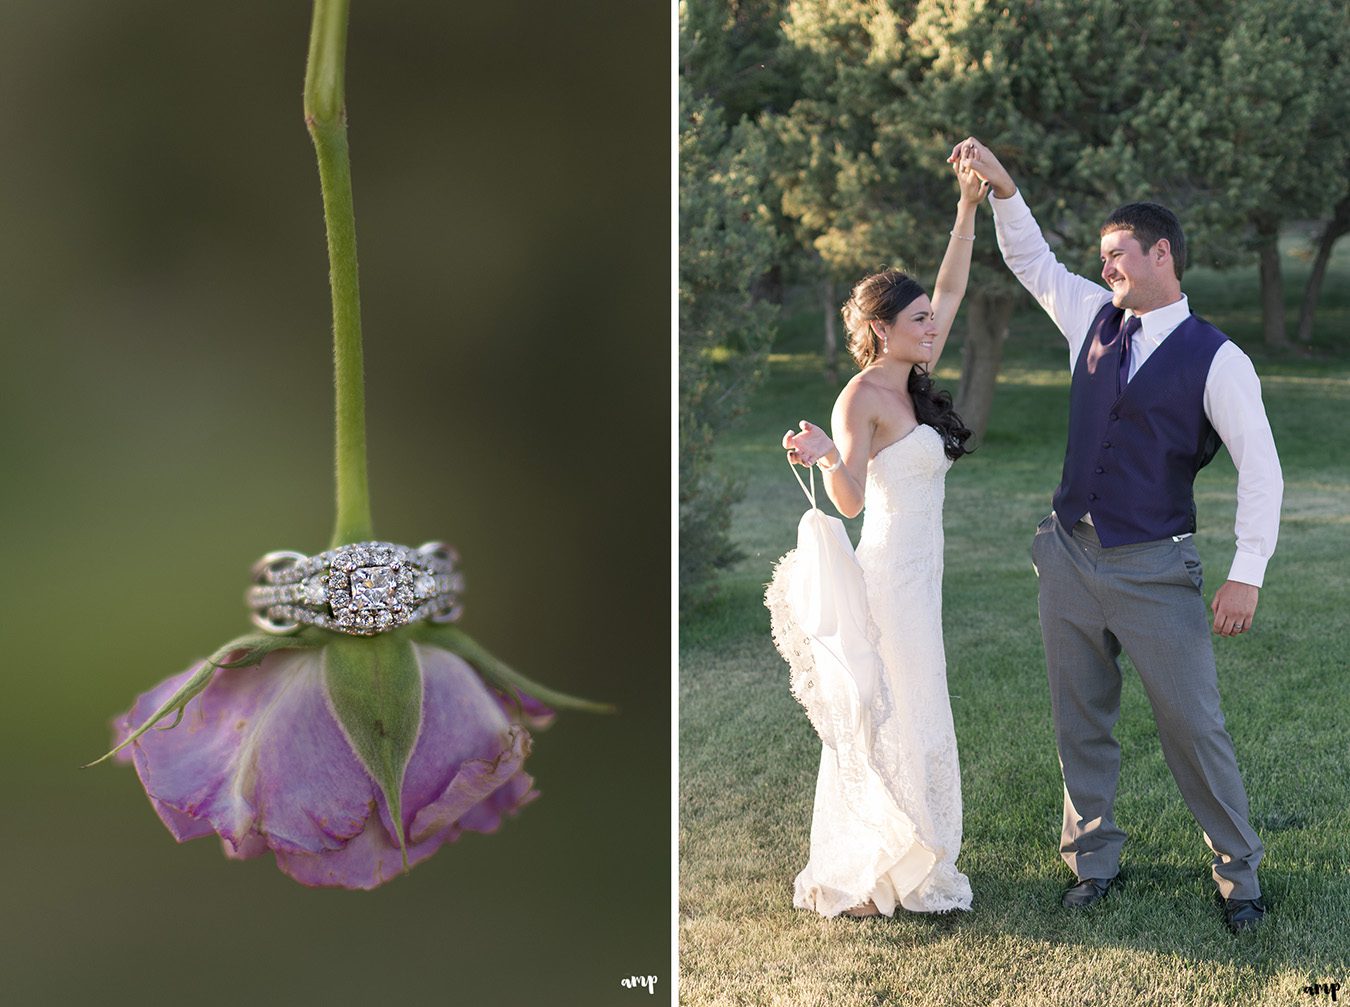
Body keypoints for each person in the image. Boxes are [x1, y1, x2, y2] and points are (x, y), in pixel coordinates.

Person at [949, 137, 1282, 933]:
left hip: (1155, 568)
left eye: (1117, 255)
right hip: (1067, 555)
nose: (1105, 269)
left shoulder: (1219, 358)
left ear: (1162, 253)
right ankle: (1092, 861)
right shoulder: (1093, 318)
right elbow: (1032, 261)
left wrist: (1247, 571)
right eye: (1101, 258)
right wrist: (1004, 190)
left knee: (1193, 726)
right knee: (1078, 718)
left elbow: (1261, 469)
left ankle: (1240, 875)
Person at [766, 157, 987, 918]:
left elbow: (954, 285)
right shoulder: (861, 395)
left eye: (929, 316)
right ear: (880, 329)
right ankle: (879, 870)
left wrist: (966, 206)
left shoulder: (915, 374)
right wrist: (829, 455)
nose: (933, 323)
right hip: (889, 574)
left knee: (922, 703)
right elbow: (851, 501)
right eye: (918, 318)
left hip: (922, 575)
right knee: (895, 707)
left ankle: (916, 857)